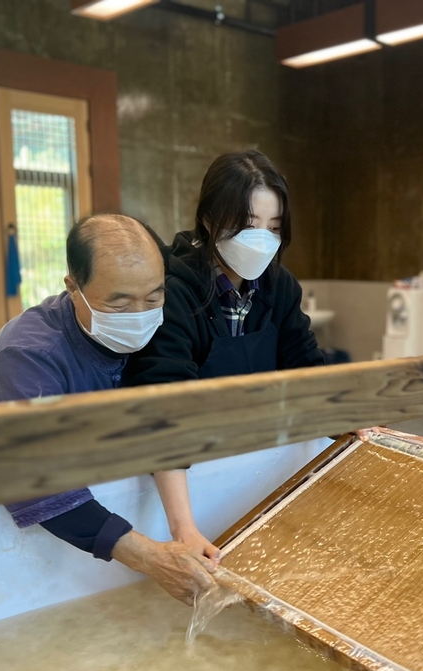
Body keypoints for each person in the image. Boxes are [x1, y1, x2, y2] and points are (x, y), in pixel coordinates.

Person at [0, 214, 216, 604]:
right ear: (74, 287)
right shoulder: (28, 357)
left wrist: (183, 530)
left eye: (154, 298)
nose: (141, 315)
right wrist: (151, 557)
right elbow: (39, 483)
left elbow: (162, 420)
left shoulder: (150, 340)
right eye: (120, 303)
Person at [123, 150, 323, 563]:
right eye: (249, 226)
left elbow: (308, 370)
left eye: (274, 228)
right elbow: (165, 408)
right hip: (189, 472)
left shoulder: (278, 287)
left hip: (252, 459)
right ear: (211, 220)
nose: (262, 240)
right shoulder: (174, 292)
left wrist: (353, 417)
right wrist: (184, 530)